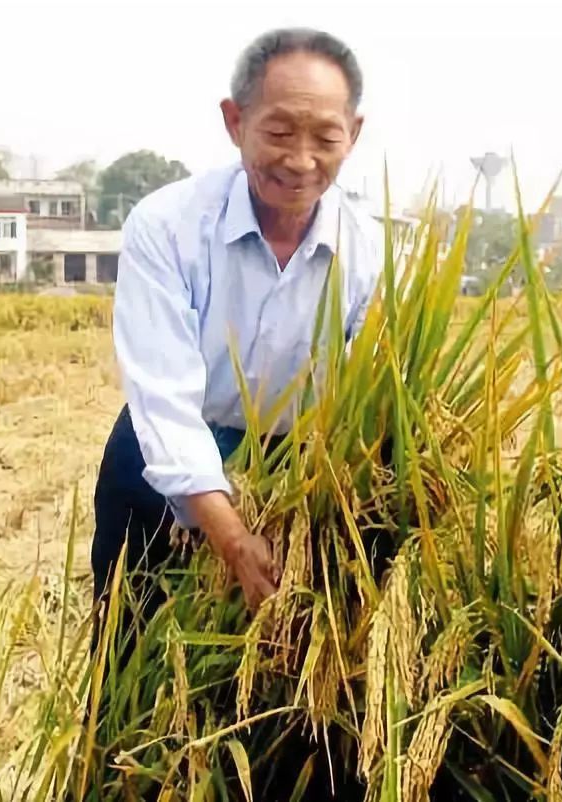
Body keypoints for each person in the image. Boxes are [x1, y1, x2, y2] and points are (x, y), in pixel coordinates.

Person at [91, 28, 383, 632]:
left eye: (326, 138)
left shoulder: (371, 249)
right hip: (168, 449)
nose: (300, 160)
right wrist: (230, 534)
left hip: (299, 464)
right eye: (278, 133)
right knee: (132, 647)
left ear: (352, 134)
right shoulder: (168, 226)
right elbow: (164, 401)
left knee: (280, 663)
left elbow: (374, 402)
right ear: (234, 121)